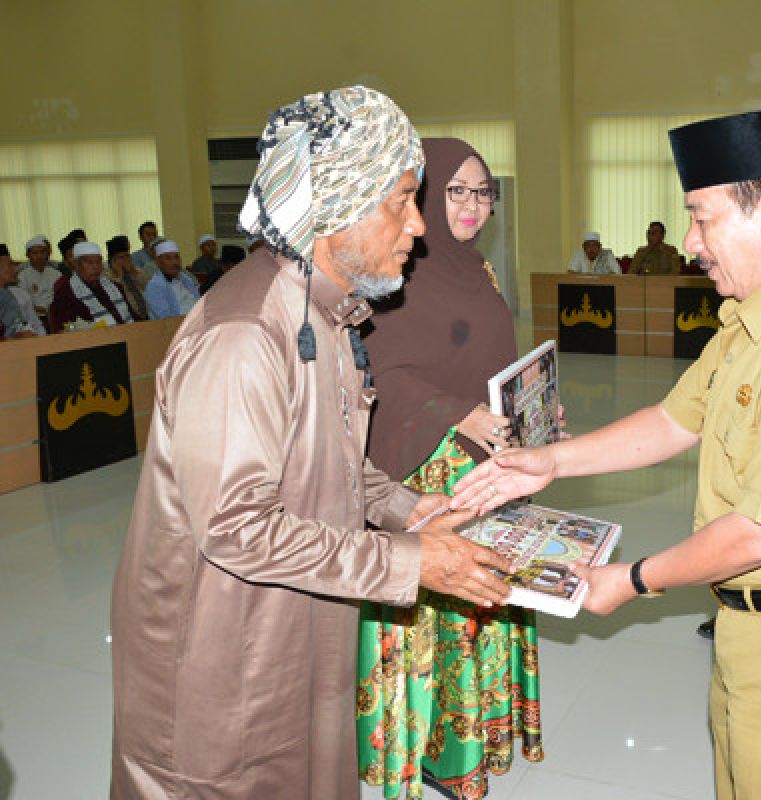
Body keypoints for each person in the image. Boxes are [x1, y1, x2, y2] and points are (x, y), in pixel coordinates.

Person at [453, 108, 761, 800]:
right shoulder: (754, 316)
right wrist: (553, 462)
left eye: (703, 217)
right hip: (756, 630)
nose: (691, 240)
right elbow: (672, 420)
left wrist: (631, 581)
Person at [109, 85, 514, 800]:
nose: (418, 226)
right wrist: (410, 561)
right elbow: (236, 529)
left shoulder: (326, 314)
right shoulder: (244, 336)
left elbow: (333, 461)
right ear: (335, 204)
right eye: (401, 199)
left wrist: (410, 508)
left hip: (299, 629)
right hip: (225, 659)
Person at [358, 138, 542, 800]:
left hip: (484, 463)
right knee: (440, 599)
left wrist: (534, 424)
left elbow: (497, 361)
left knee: (483, 598)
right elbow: (377, 370)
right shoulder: (393, 270)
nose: (472, 205)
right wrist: (458, 413)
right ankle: (429, 751)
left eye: (484, 192)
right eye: (455, 190)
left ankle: (480, 731)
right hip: (426, 469)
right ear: (425, 196)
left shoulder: (480, 271)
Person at [47, 241, 134, 331]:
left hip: (125, 334)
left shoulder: (115, 287)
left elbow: (131, 316)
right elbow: (65, 327)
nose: (95, 267)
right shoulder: (66, 293)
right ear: (76, 265)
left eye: (98, 262)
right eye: (89, 263)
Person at [144, 239, 201, 319]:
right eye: (168, 258)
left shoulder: (185, 279)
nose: (174, 262)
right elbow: (166, 319)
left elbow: (198, 301)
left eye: (176, 257)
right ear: (158, 262)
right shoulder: (155, 286)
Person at [105, 236, 149, 321]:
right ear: (112, 260)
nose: (126, 260)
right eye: (121, 257)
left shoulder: (134, 270)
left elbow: (149, 287)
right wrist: (119, 276)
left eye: (127, 256)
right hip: (126, 319)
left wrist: (135, 273)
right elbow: (115, 297)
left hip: (147, 315)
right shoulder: (106, 276)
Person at [16, 235, 59, 320]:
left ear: (47, 254)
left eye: (42, 252)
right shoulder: (22, 276)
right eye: (35, 253)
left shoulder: (56, 274)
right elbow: (24, 303)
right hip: (33, 317)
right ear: (27, 255)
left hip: (56, 314)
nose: (39, 256)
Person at [130, 221, 159, 286]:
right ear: (141, 237)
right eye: (148, 235)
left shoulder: (164, 255)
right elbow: (139, 279)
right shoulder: (135, 257)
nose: (152, 237)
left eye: (154, 235)